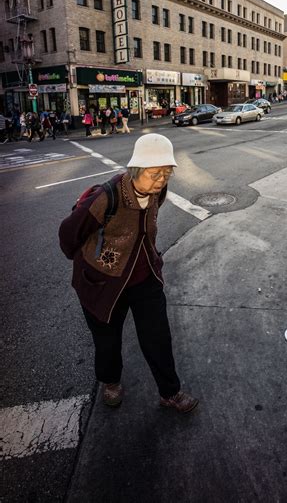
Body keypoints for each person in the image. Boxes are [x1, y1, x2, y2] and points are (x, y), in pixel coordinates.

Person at [58, 133, 198, 413]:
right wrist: (92, 265)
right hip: (103, 284)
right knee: (107, 341)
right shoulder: (106, 197)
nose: (161, 179)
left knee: (158, 337)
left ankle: (169, 393)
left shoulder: (158, 191)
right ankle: (110, 382)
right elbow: (68, 234)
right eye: (155, 172)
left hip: (145, 277)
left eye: (167, 172)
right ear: (136, 170)